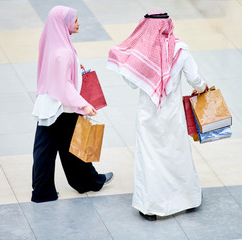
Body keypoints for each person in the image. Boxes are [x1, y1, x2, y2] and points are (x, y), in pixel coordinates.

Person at [107, 11, 207, 220]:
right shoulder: (181, 49)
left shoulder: (141, 54)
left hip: (148, 117)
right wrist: (203, 87)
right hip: (173, 116)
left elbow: (132, 83)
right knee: (178, 155)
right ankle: (188, 200)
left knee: (150, 160)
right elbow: (195, 79)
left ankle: (151, 207)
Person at [31, 6, 113, 203]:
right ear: (63, 23)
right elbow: (64, 86)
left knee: (44, 150)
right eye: (74, 20)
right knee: (76, 147)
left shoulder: (51, 44)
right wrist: (83, 104)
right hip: (62, 108)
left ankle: (42, 192)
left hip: (46, 105)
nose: (78, 23)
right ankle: (89, 182)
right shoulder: (63, 51)